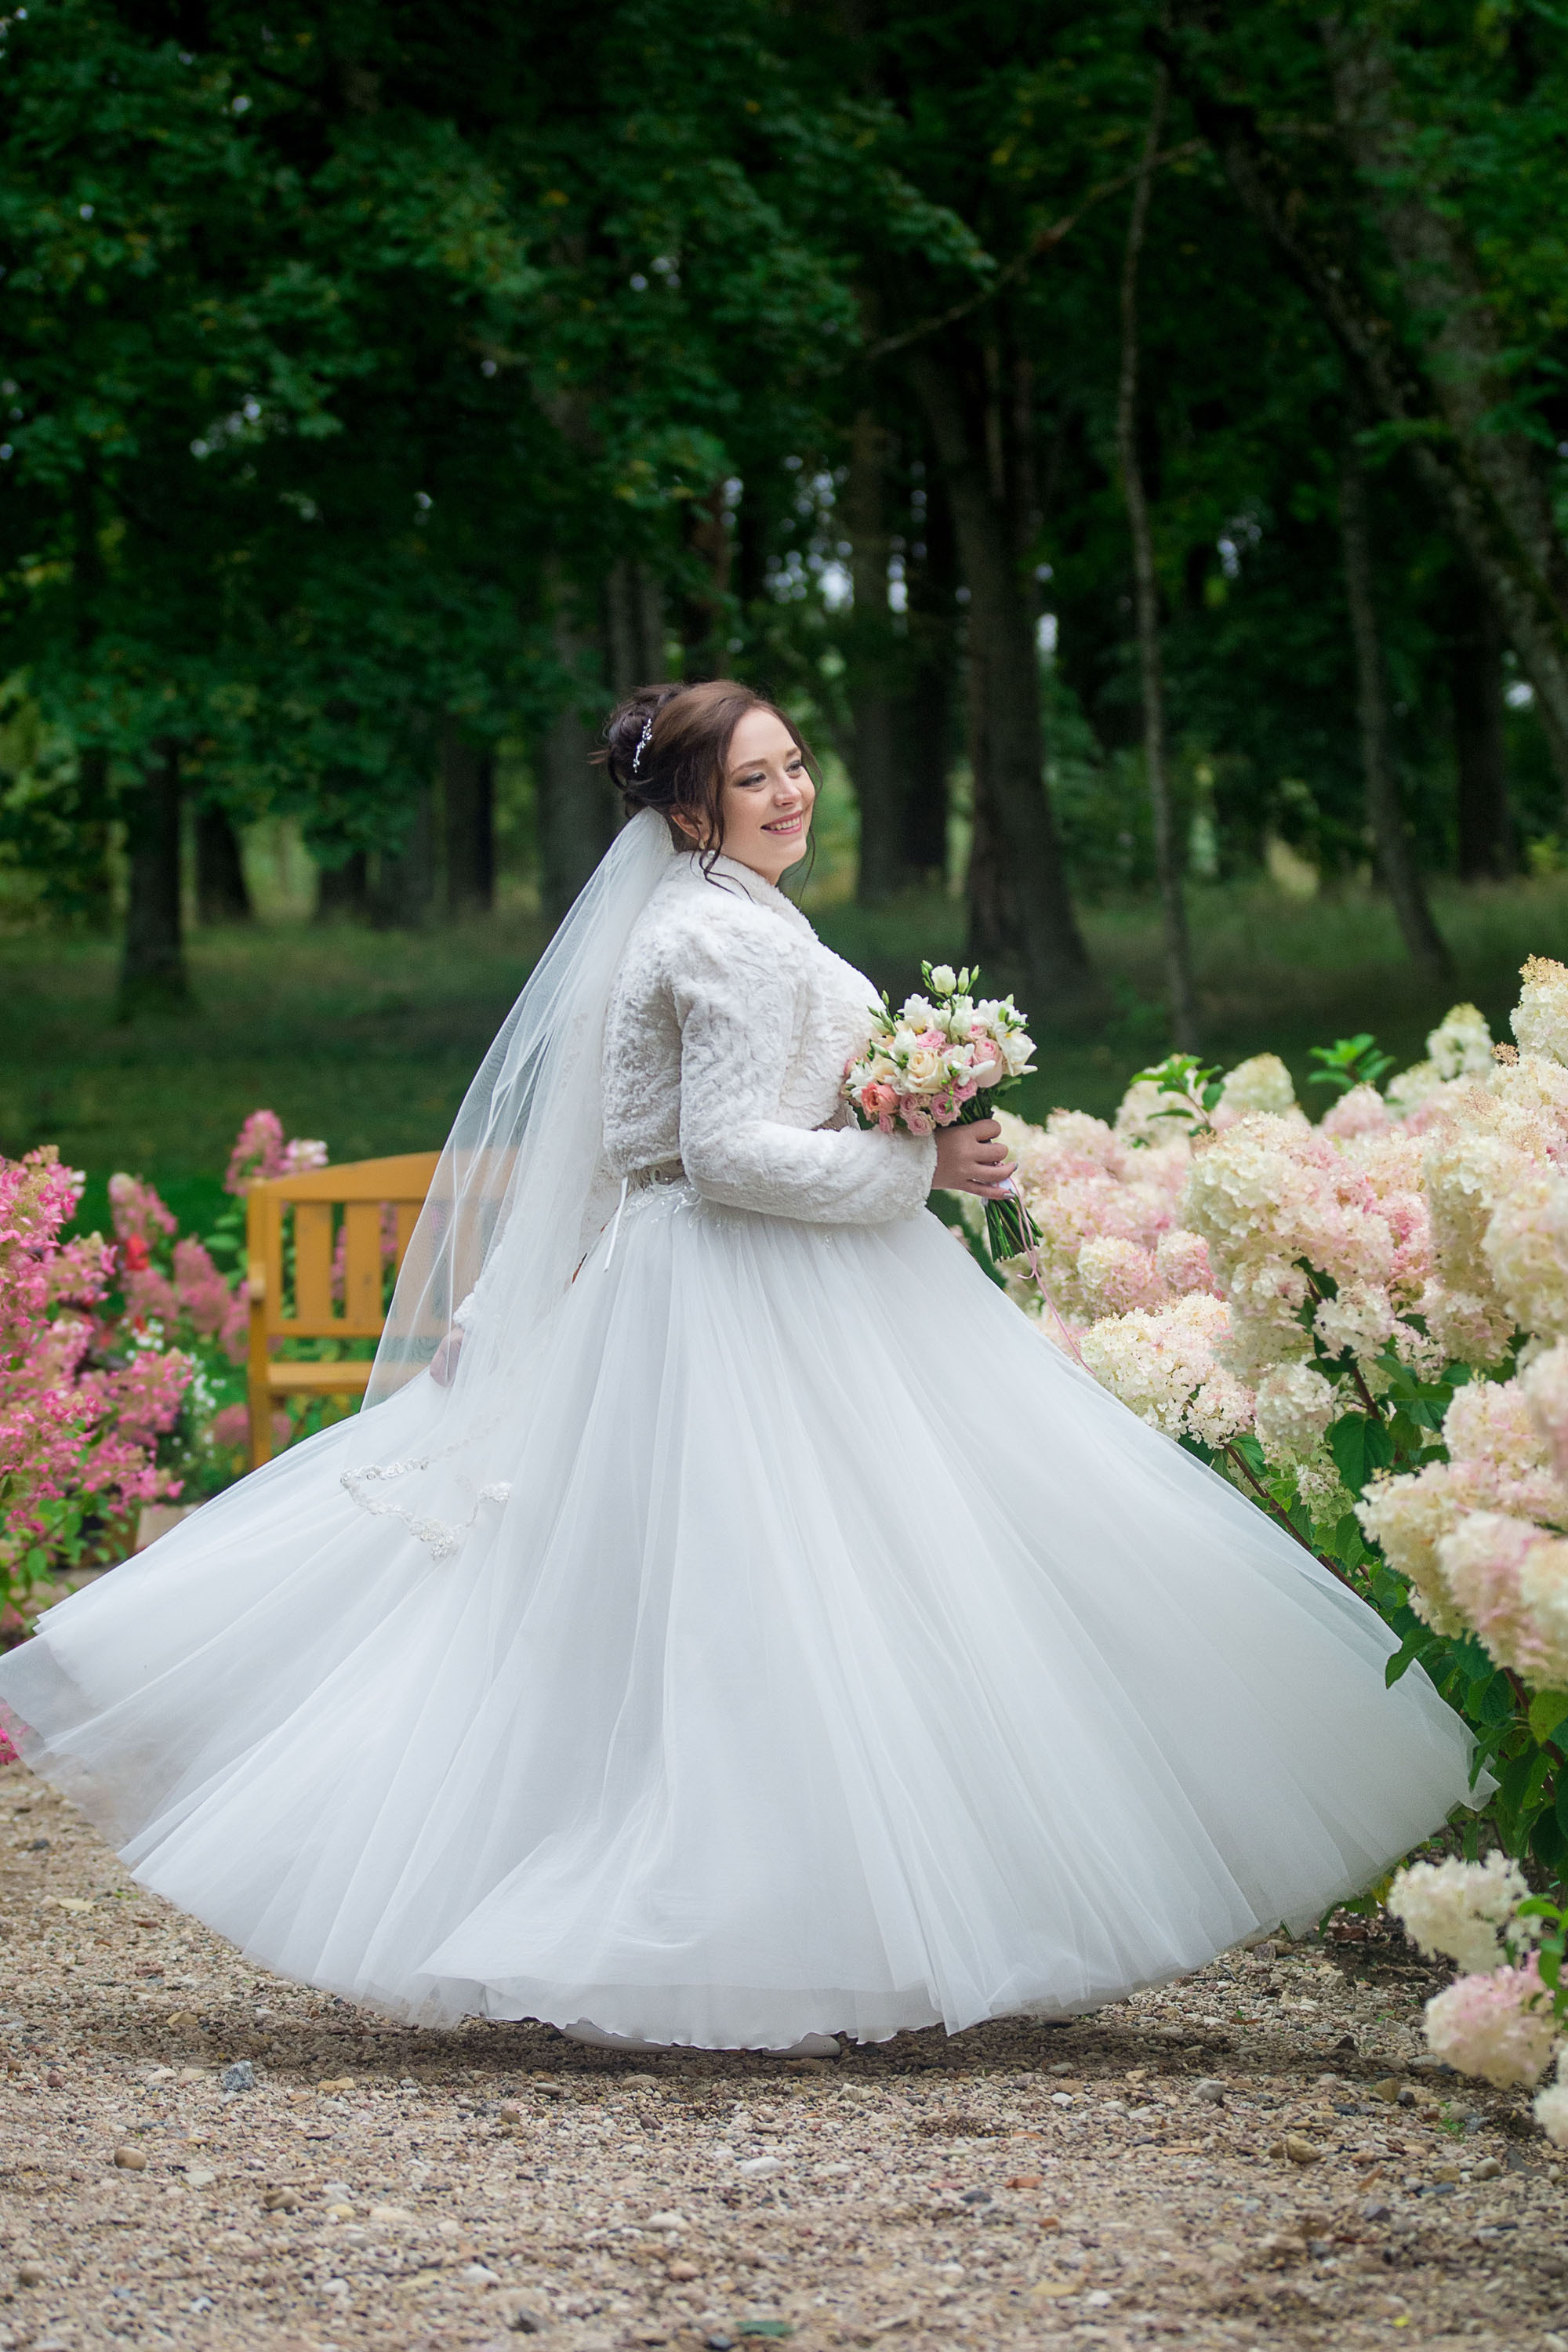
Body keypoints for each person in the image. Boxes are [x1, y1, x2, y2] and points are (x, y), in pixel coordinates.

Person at [0, 679, 1480, 2057]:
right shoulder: (713, 934)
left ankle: (838, 1916)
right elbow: (721, 1156)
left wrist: (907, 1127)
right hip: (732, 1299)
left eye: (794, 766)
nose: (789, 794)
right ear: (689, 811)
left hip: (756, 1288)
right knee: (760, 1601)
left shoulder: (732, 914)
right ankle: (737, 1921)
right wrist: (910, 1153)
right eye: (751, 778)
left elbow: (652, 1138)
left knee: (805, 1595)